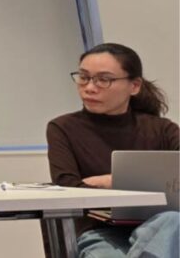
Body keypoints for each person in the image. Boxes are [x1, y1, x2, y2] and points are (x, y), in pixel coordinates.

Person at [46, 43, 179, 258]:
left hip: (161, 228)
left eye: (103, 80)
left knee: (173, 219)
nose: (89, 87)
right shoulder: (63, 128)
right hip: (100, 232)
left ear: (134, 86)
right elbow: (68, 188)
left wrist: (109, 181)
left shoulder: (163, 129)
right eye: (83, 77)